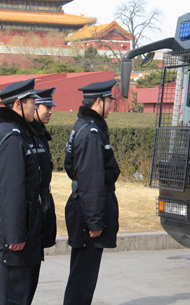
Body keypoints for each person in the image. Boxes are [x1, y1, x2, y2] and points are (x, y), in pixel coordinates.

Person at [0, 78, 43, 305]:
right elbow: (10, 188)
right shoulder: (11, 136)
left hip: (19, 230)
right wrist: (15, 235)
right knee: (11, 299)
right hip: (13, 238)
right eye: (32, 102)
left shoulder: (14, 131)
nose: (35, 106)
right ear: (18, 104)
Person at [63, 79, 121, 305]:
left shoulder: (82, 126)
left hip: (83, 208)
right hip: (88, 215)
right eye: (109, 101)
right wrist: (95, 222)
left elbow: (71, 167)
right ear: (99, 101)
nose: (111, 106)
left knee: (81, 274)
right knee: (83, 279)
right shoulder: (92, 132)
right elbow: (92, 180)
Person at [29, 88, 58, 248]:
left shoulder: (40, 134)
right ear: (35, 107)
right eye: (47, 107)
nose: (50, 111)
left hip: (44, 201)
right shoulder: (28, 134)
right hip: (35, 203)